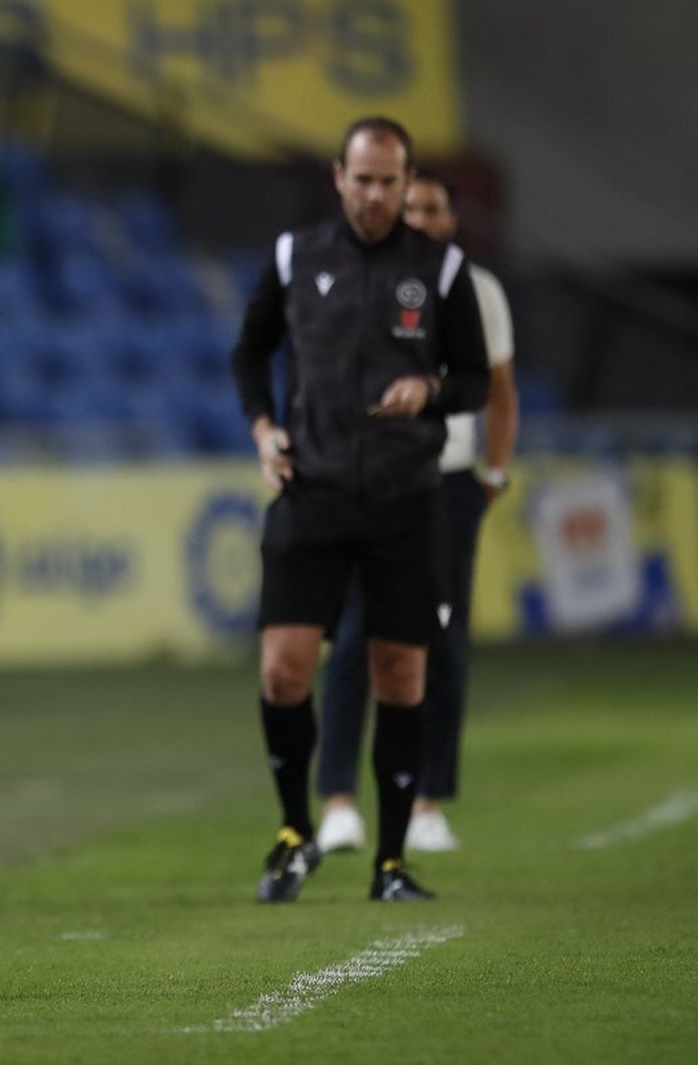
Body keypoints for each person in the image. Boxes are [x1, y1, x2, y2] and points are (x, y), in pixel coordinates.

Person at [229, 117, 490, 904]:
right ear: (337, 177)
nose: (376, 194)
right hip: (311, 492)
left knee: (400, 672)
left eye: (391, 181)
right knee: (282, 668)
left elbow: (475, 380)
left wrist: (431, 391)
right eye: (363, 178)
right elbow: (250, 351)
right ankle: (293, 830)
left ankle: (390, 860)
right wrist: (265, 427)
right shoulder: (293, 256)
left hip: (406, 500)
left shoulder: (442, 269)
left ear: (408, 184)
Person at [315, 169, 520, 855]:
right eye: (414, 206)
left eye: (434, 207)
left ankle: (428, 801)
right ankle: (340, 799)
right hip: (371, 478)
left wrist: (493, 473)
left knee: (444, 639)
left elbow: (499, 389)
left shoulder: (479, 291)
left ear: (453, 221)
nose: (423, 217)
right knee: (352, 635)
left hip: (450, 480)